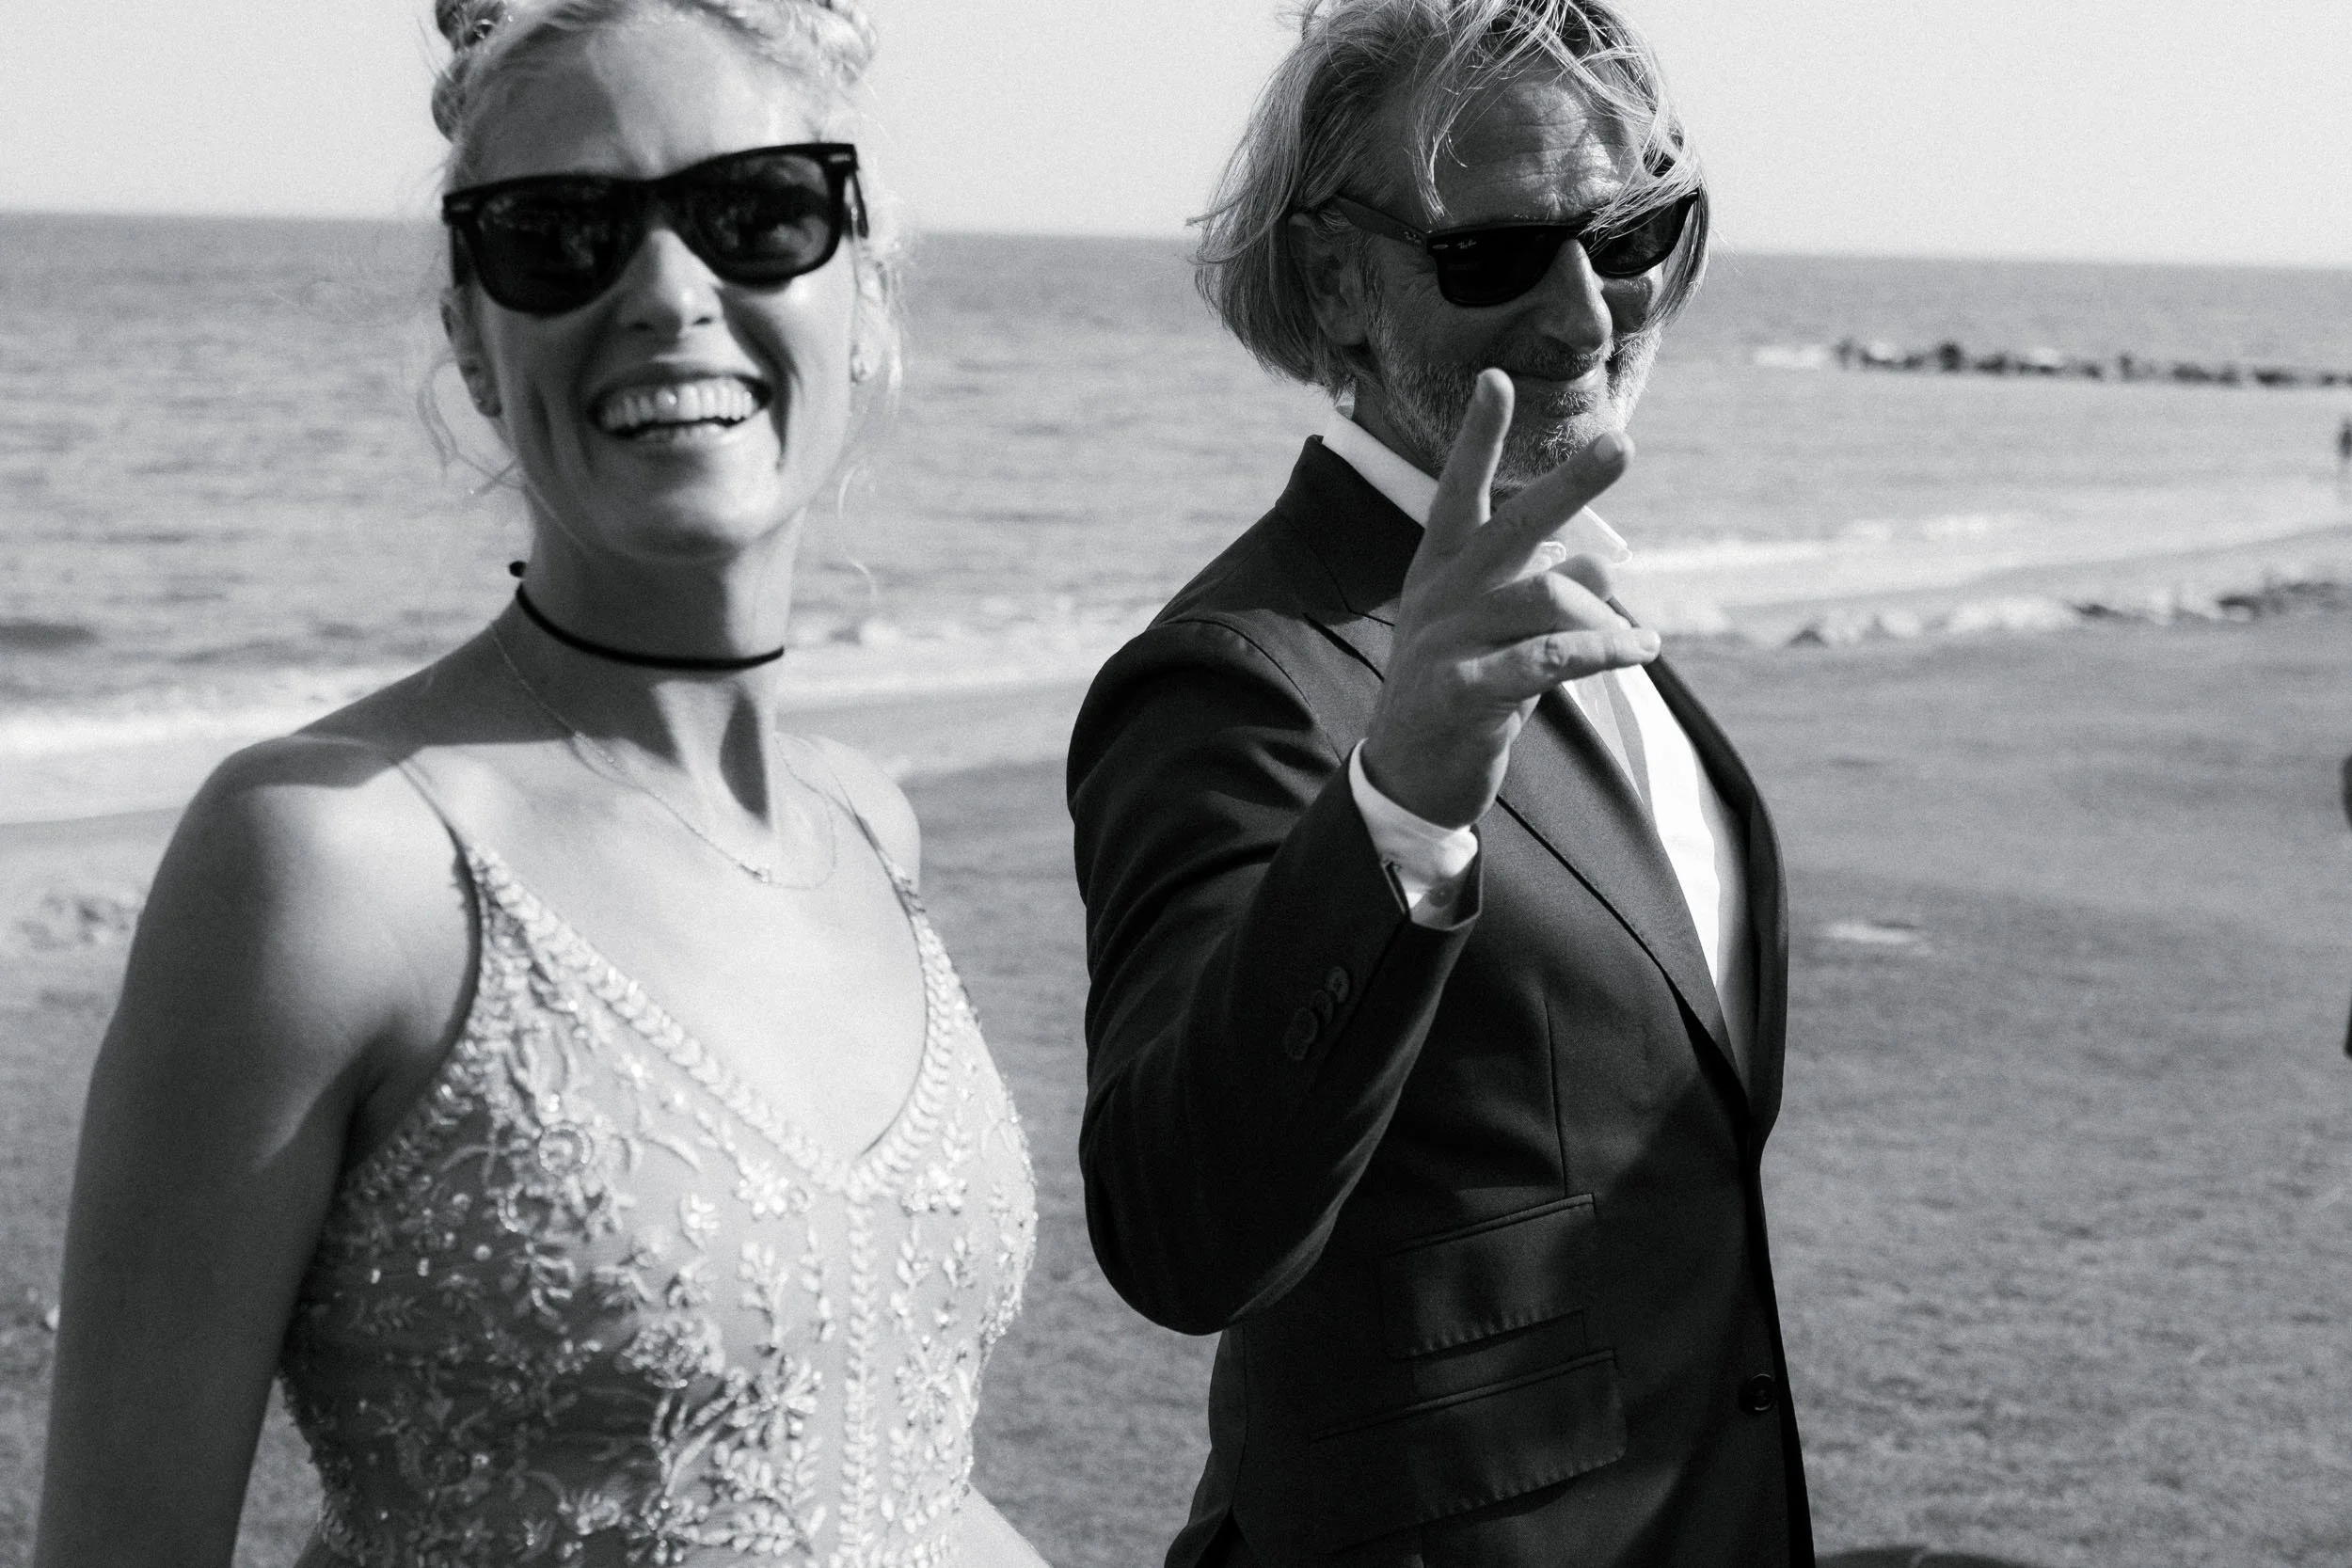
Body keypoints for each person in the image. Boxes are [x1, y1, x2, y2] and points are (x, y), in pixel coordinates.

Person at [33, 3, 1045, 1564]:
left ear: (865, 291)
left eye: (757, 211)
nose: (668, 291)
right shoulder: (334, 862)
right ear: (471, 338)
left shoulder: (865, 824)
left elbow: (897, 1476)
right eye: (558, 234)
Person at [1067, 2, 1811, 1563]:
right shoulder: (1236, 675)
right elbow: (1179, 1228)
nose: (1586, 317)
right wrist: (1400, 802)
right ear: (1337, 281)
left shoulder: (1589, 608)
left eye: (1632, 237)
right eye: (1495, 257)